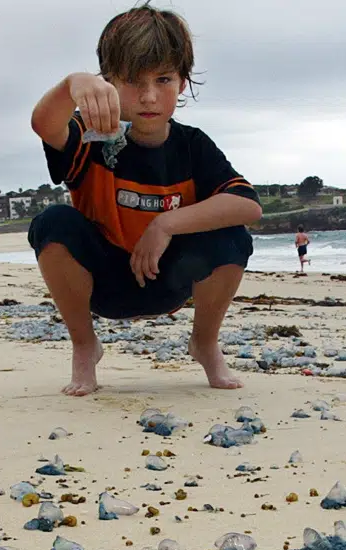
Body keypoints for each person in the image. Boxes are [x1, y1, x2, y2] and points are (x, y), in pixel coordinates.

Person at [27, 3, 262, 395]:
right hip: (103, 283)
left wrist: (165, 224)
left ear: (182, 83)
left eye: (164, 79)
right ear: (109, 83)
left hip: (168, 279)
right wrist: (73, 84)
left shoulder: (192, 146)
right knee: (51, 223)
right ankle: (85, 346)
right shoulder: (91, 136)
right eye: (134, 81)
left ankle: (204, 343)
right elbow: (44, 124)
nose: (150, 96)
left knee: (232, 235)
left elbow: (247, 205)